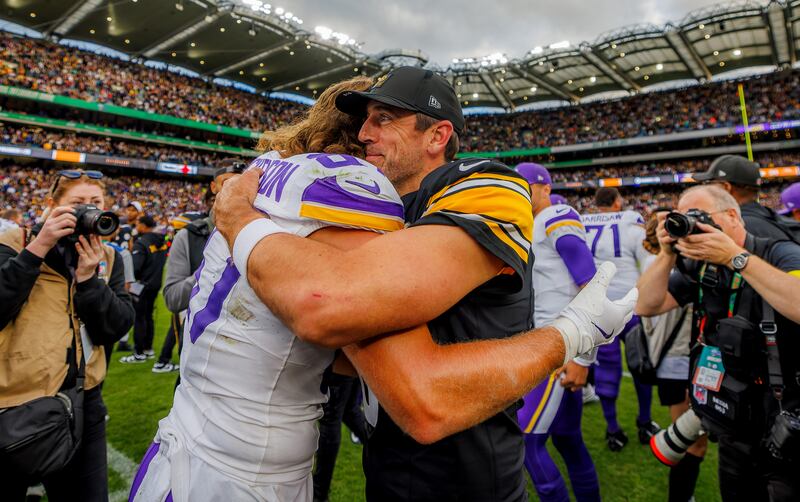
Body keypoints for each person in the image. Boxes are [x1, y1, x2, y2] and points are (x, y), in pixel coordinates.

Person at [212, 66, 637, 501]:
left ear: (437, 137)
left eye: (383, 118)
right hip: (388, 467)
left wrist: (242, 219)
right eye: (363, 121)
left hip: (467, 476)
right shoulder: (373, 202)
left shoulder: (483, 182)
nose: (363, 134)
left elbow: (340, 308)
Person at [637, 184, 800, 501]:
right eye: (683, 218)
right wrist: (667, 254)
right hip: (733, 423)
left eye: (698, 216)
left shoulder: (779, 251)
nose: (692, 226)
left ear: (732, 216)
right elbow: (646, 304)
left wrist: (736, 259)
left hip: (786, 424)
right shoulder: (701, 265)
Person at [0, 169, 135, 501]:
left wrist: (90, 282)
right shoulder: (12, 243)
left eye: (96, 202)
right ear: (51, 205)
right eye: (78, 203)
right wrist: (39, 247)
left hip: (82, 399)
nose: (89, 210)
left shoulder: (109, 256)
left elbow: (115, 328)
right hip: (13, 401)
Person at [516, 163, 601, 502]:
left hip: (558, 346)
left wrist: (583, 356)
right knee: (568, 439)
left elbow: (592, 284)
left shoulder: (556, 215)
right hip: (546, 341)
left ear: (546, 188)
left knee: (526, 442)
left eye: (528, 185)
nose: (521, 191)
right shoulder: (527, 224)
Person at [581, 187, 659, 450]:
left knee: (606, 370)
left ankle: (613, 429)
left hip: (598, 310)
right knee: (640, 365)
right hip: (630, 307)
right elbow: (649, 261)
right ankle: (644, 422)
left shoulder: (582, 221)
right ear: (616, 202)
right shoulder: (629, 219)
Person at [640, 209, 706, 502]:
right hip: (678, 362)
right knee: (691, 442)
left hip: (676, 360)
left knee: (694, 440)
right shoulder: (668, 269)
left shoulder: (658, 265)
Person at [155, 163, 241, 374]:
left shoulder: (262, 234)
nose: (235, 189)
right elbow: (173, 298)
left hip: (242, 356)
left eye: (241, 184)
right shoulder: (189, 235)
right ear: (213, 187)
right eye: (227, 183)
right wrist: (213, 268)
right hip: (197, 355)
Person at [693, 155, 798, 242]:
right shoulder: (772, 218)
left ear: (726, 188)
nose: (705, 188)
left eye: (708, 183)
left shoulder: (734, 226)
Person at [120, 215, 167, 363]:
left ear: (144, 225)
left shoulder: (142, 242)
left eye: (138, 223)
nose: (136, 226)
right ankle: (148, 349)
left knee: (139, 317)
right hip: (155, 283)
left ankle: (139, 353)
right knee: (148, 316)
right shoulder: (161, 241)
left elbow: (135, 267)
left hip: (141, 285)